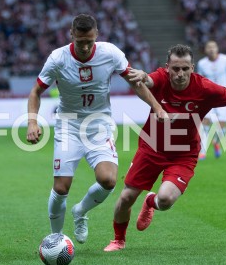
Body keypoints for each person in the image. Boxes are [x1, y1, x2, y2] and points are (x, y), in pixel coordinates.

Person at [103, 44, 226, 252]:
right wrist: (142, 76)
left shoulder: (205, 88)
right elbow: (148, 80)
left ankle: (150, 202)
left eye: (185, 68)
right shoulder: (160, 77)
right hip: (152, 147)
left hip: (184, 153)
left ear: (192, 68)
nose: (180, 74)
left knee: (165, 200)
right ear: (167, 68)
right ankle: (118, 240)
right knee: (126, 197)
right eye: (175, 69)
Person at [26, 14, 167, 244]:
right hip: (69, 125)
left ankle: (80, 212)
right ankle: (55, 238)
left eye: (89, 41)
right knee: (61, 187)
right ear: (71, 35)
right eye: (80, 41)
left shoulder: (110, 53)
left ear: (97, 36)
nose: (84, 46)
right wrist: (32, 121)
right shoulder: (58, 58)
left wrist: (157, 106)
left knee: (108, 180)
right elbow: (35, 92)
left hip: (99, 126)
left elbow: (135, 82)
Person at [196, 40, 226, 159]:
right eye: (209, 47)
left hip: (223, 97)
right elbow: (200, 81)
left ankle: (216, 142)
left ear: (217, 49)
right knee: (204, 122)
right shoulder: (202, 63)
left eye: (213, 47)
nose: (211, 49)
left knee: (221, 127)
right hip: (208, 97)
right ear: (205, 50)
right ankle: (202, 151)